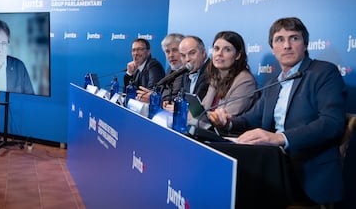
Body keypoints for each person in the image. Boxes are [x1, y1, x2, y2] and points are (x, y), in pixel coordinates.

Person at [209, 17, 347, 206]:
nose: (287, 46)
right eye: (280, 40)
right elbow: (252, 118)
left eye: (294, 38)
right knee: (218, 157)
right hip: (272, 162)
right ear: (273, 48)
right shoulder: (273, 82)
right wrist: (227, 121)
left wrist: (280, 138)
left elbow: (332, 123)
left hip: (306, 171)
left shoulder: (324, 72)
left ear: (306, 44)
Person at [202, 31, 257, 116]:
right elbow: (203, 108)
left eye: (227, 49)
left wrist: (197, 116)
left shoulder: (245, 81)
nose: (219, 54)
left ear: (238, 55)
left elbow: (226, 116)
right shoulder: (216, 78)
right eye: (216, 48)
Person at [136, 33, 184, 103]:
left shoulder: (187, 72)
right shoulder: (170, 69)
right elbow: (162, 92)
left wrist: (154, 98)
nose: (171, 55)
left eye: (175, 50)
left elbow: (173, 97)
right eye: (167, 51)